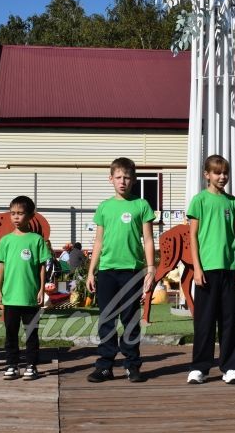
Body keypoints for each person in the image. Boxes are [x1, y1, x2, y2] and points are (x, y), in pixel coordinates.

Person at [85, 157, 156, 383]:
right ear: (111, 179)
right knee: (107, 320)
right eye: (118, 177)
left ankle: (132, 365)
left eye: (127, 177)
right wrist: (91, 271)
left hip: (132, 272)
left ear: (133, 180)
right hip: (107, 271)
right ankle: (105, 366)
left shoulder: (141, 205)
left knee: (130, 319)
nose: (122, 181)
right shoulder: (104, 207)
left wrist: (151, 268)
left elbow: (147, 239)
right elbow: (98, 241)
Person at [186, 154, 235, 385]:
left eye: (225, 173)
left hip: (228, 269)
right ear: (206, 175)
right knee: (205, 320)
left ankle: (231, 367)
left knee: (230, 320)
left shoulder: (231, 202)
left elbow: (233, 237)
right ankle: (200, 368)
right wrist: (197, 269)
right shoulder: (199, 200)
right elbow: (193, 236)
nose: (222, 177)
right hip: (207, 270)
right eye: (217, 173)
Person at [0, 195, 48, 381]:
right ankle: (11, 364)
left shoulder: (37, 240)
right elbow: (1, 267)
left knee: (31, 333)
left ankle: (31, 365)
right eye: (13, 213)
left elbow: (42, 266)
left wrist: (41, 289)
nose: (16, 217)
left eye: (20, 213)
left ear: (31, 215)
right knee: (11, 333)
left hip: (30, 296)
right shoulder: (6, 241)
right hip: (10, 297)